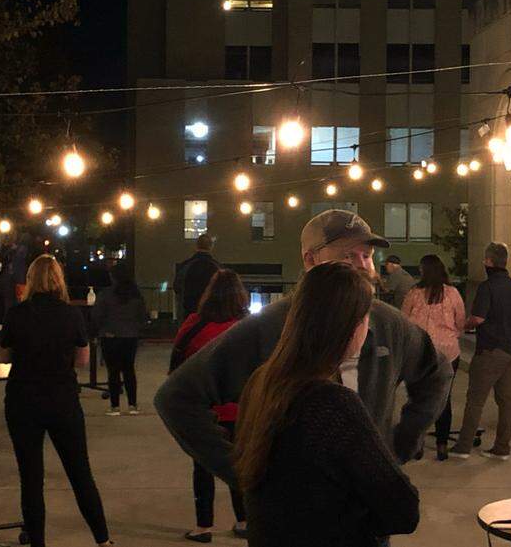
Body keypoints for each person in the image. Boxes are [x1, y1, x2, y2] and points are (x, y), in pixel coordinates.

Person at [155, 209, 451, 489]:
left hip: (366, 506)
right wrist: (243, 473)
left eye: (367, 255)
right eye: (348, 255)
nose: (362, 264)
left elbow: (437, 372)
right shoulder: (271, 326)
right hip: (293, 508)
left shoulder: (387, 323)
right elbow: (177, 397)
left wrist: (400, 445)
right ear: (310, 260)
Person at [234, 262, 421, 547]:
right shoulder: (332, 404)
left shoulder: (262, 383)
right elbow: (403, 510)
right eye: (366, 317)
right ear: (351, 326)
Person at [1, 254, 114, 547]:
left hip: (23, 399)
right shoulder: (71, 315)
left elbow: (5, 356)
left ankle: (37, 540)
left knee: (31, 477)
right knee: (80, 472)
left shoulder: (17, 314)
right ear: (58, 280)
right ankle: (102, 539)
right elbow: (82, 359)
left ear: (30, 280)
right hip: (62, 398)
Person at [172, 269, 251, 542]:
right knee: (240, 465)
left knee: (203, 467)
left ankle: (204, 527)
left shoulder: (194, 324)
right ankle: (244, 521)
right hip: (242, 409)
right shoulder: (248, 327)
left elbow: (177, 365)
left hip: (204, 410)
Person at [449, 241, 511, 460]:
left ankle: (463, 447)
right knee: (506, 401)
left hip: (491, 350)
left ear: (489, 261)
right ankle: (502, 448)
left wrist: (462, 325)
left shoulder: (487, 287)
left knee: (476, 399)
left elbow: (478, 318)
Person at [401, 254, 466, 460]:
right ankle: (442, 444)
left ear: (423, 271)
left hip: (419, 351)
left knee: (418, 398)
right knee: (444, 398)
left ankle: (417, 443)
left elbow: (404, 320)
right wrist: (451, 335)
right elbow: (461, 321)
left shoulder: (414, 294)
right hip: (448, 352)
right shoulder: (452, 293)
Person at [92, 261, 148, 416]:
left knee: (113, 372)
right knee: (129, 370)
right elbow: (142, 317)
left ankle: (115, 406)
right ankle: (132, 405)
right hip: (130, 336)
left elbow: (97, 316)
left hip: (110, 336)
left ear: (113, 277)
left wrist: (101, 330)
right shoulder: (136, 295)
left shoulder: (106, 294)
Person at [174, 233, 219, 320]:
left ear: (196, 246)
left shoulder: (185, 266)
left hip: (188, 313)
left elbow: (177, 287)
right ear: (211, 247)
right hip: (210, 314)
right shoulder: (217, 267)